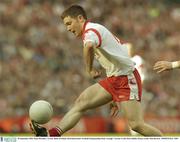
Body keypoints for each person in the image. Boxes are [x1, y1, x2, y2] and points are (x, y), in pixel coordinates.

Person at [30, 5, 163, 137]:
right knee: (81, 102)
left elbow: (88, 47)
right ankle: (51, 135)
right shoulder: (92, 31)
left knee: (136, 125)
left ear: (80, 18)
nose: (68, 28)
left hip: (126, 79)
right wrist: (113, 97)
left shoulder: (91, 31)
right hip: (114, 79)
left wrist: (89, 69)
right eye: (66, 25)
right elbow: (112, 62)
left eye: (69, 23)